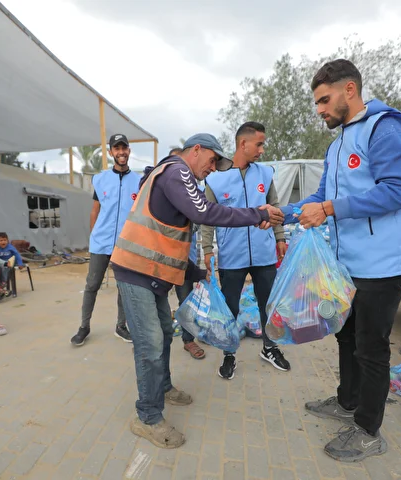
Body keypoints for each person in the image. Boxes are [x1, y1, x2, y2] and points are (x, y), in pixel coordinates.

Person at [281, 59, 401, 462]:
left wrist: (329, 209)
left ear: (350, 90)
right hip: (348, 264)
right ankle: (347, 401)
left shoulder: (385, 128)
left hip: (384, 264)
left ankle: (368, 429)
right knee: (346, 336)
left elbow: (399, 191)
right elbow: (322, 195)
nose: (319, 109)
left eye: (324, 100)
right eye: (316, 102)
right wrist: (283, 213)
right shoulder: (339, 143)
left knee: (372, 348)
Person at [110, 133, 284, 449]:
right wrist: (258, 214)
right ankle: (147, 416)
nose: (213, 168)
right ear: (197, 150)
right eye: (212, 160)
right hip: (135, 270)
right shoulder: (177, 171)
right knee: (150, 343)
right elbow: (207, 213)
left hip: (151, 272)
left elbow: (168, 242)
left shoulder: (176, 178)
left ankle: (162, 387)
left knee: (164, 333)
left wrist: (198, 274)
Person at [202, 122, 290, 379]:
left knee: (268, 304)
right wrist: (207, 249)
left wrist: (280, 237)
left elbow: (274, 207)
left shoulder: (264, 174)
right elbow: (206, 218)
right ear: (243, 144)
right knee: (230, 308)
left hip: (264, 253)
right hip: (232, 256)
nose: (262, 150)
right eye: (259, 144)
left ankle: (270, 348)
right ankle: (229, 353)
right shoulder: (215, 180)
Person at [70, 133, 140, 346]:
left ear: (129, 151)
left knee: (124, 287)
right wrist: (94, 235)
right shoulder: (101, 179)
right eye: (117, 149)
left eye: (124, 148)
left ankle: (121, 326)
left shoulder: (139, 181)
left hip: (125, 244)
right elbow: (95, 210)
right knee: (92, 285)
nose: (121, 152)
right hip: (101, 243)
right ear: (111, 152)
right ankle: (84, 327)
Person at [167, 147, 206, 360]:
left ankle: (188, 340)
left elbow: (199, 223)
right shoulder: (161, 190)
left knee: (186, 300)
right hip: (161, 260)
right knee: (157, 301)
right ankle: (156, 339)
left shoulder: (194, 193)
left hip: (185, 261)